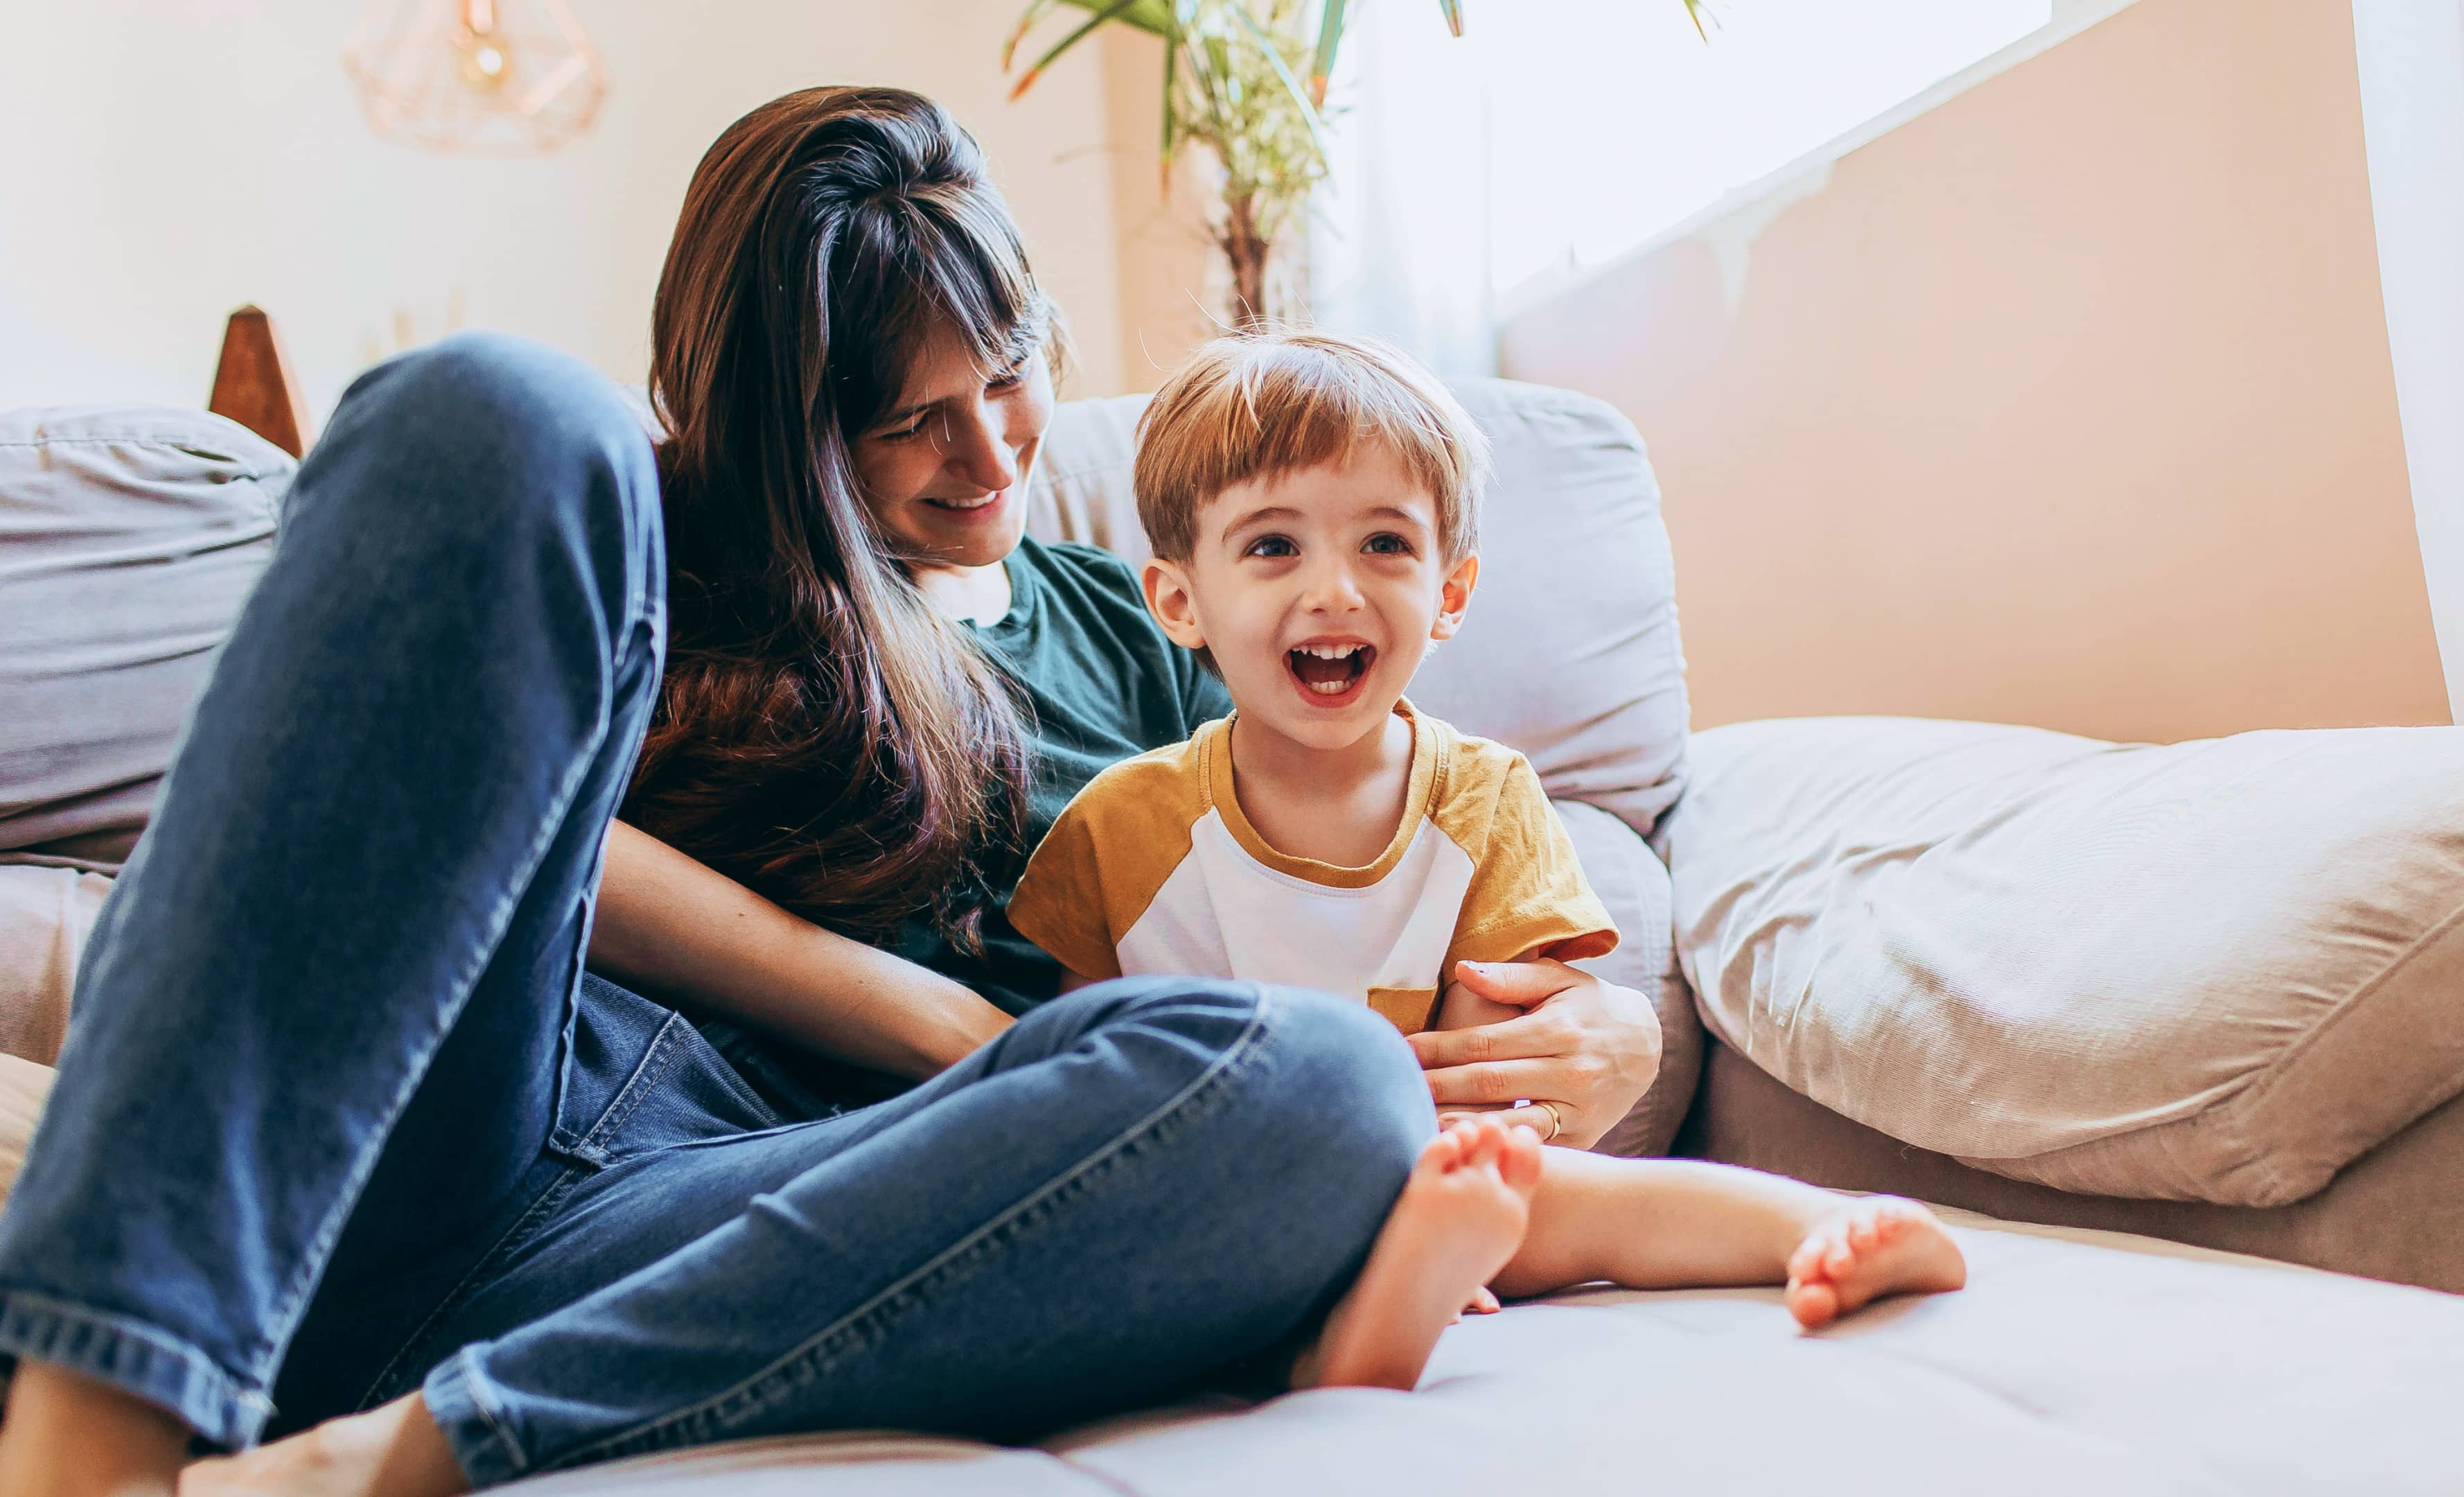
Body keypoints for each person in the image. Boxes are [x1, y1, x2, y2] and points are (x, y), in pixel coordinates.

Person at [0, 89, 1664, 1496]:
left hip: (816, 1225)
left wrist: (1612, 1034)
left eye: (1007, 372)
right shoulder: (636, 551)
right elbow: (408, 832)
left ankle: (406, 1446)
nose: (994, 453)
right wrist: (920, 1015)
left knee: (1323, 1091)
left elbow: (1360, 907)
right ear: (793, 431)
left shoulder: (1149, 629)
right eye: (904, 424)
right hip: (478, 1118)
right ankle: (98, 1421)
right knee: (495, 404)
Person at [1008, 329, 1970, 1389]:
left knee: (1557, 1195)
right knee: (1154, 1236)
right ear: (1180, 601)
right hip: (1220, 1198)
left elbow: (1496, 1066)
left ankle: (1823, 1224)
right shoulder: (1118, 825)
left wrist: (1450, 1181)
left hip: (1434, 1171)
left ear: (1452, 593)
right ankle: (1361, 1321)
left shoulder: (1484, 797)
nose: (1335, 590)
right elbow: (1077, 1066)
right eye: (1274, 547)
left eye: (1385, 545)